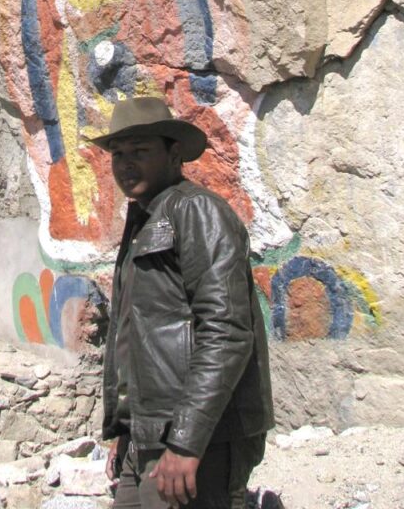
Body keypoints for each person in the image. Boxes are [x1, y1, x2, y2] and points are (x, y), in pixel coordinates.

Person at [90, 96, 274, 509]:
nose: (125, 164)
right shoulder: (145, 219)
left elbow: (226, 333)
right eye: (118, 153)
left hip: (200, 440)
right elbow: (137, 338)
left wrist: (186, 443)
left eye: (140, 151)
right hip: (149, 438)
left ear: (174, 154)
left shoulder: (196, 211)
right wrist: (126, 431)